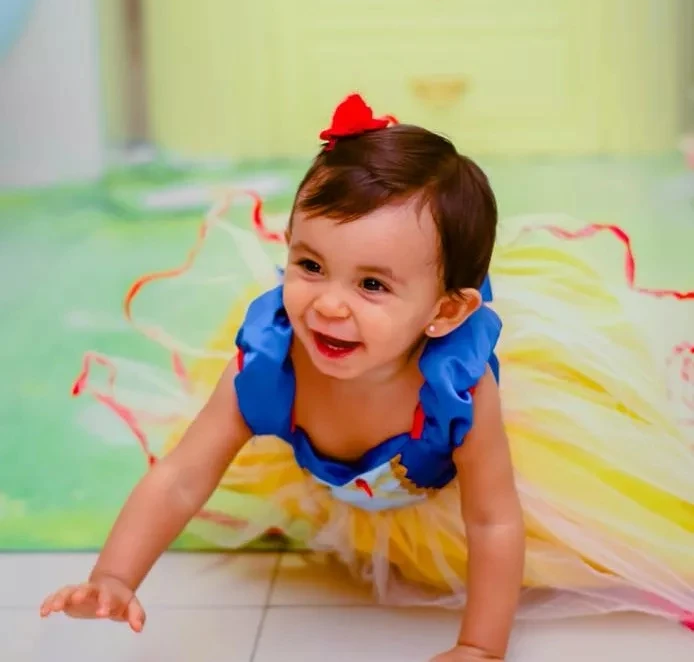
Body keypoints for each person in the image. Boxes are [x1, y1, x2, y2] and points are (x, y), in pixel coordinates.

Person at [40, 94, 694, 661]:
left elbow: (493, 521)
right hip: (351, 482)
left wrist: (480, 647)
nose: (328, 305)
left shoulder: (460, 390)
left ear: (445, 313)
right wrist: (115, 576)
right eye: (310, 265)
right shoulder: (268, 363)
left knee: (570, 538)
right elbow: (181, 476)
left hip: (437, 488)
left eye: (372, 284)